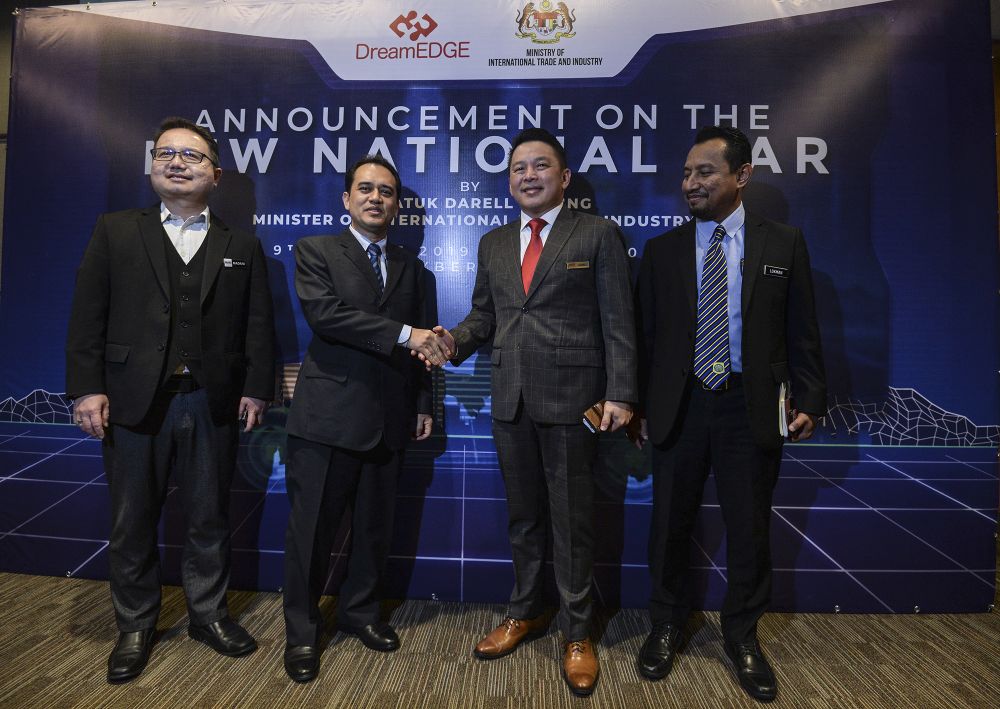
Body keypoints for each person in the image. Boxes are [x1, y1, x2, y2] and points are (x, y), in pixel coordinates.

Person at [65, 117, 276, 684]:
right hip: (134, 403)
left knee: (209, 516)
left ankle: (208, 616)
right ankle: (135, 625)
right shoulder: (114, 230)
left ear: (216, 173)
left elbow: (259, 326)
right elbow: (88, 316)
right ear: (152, 165)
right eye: (166, 153)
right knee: (132, 520)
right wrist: (88, 386)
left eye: (192, 155)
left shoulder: (242, 245)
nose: (177, 162)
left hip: (212, 401)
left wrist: (257, 388)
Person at [432, 128, 637, 697]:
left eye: (540, 166)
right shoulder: (495, 241)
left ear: (564, 178)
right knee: (523, 518)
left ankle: (577, 631)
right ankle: (526, 610)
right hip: (510, 400)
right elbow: (484, 315)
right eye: (518, 167)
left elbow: (620, 322)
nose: (527, 175)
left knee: (572, 521)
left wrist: (621, 394)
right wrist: (454, 342)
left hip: (577, 403)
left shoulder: (597, 234)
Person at [634, 125, 826, 703]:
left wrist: (811, 397)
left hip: (750, 407)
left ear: (741, 176)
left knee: (749, 529)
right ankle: (665, 627)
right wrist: (639, 403)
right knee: (668, 524)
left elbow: (803, 330)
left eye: (704, 172)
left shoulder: (782, 243)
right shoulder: (663, 250)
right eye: (687, 173)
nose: (690, 183)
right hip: (679, 405)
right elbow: (644, 338)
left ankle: (743, 636)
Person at [281, 155, 449, 683]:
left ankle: (359, 614)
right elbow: (326, 317)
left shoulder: (414, 270)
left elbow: (425, 346)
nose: (377, 198)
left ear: (397, 205)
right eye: (366, 189)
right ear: (346, 199)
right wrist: (405, 334)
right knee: (312, 534)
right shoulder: (315, 252)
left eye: (387, 192)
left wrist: (423, 406)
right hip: (326, 418)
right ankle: (303, 632)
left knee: (375, 530)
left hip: (390, 417)